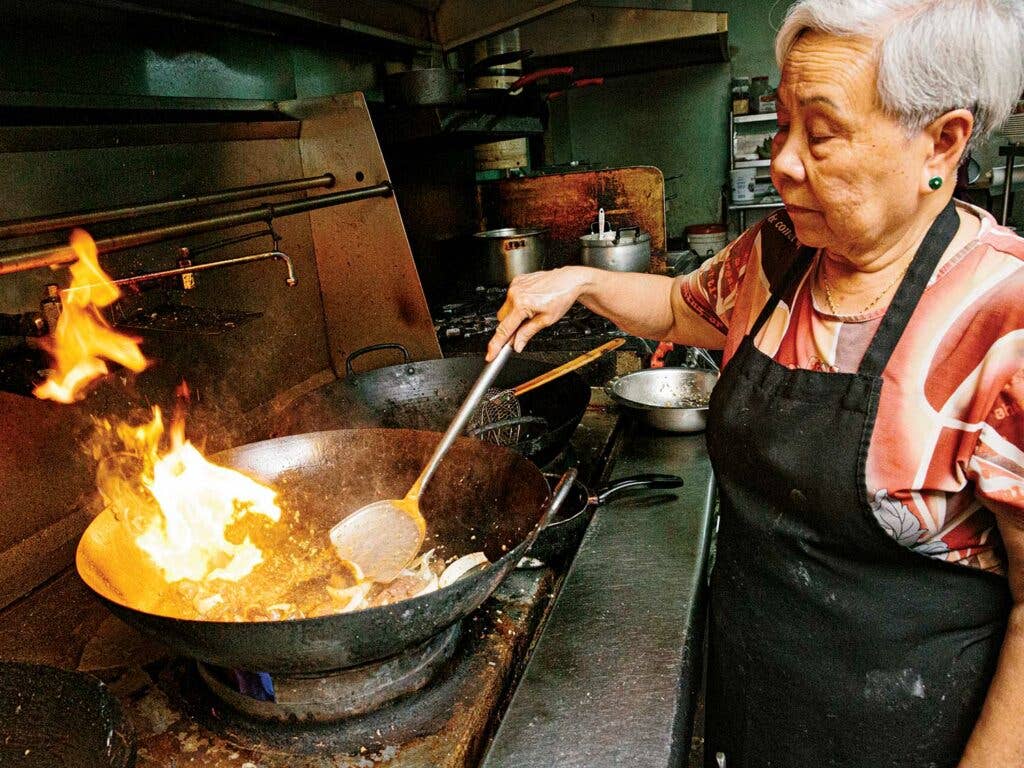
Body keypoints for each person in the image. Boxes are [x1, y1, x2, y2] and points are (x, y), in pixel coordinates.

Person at [486, 1, 1024, 766]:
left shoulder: (1005, 320)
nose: (785, 162)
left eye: (823, 133)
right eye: (781, 125)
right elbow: (678, 305)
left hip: (906, 735)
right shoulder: (774, 258)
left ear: (943, 139)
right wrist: (576, 282)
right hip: (750, 700)